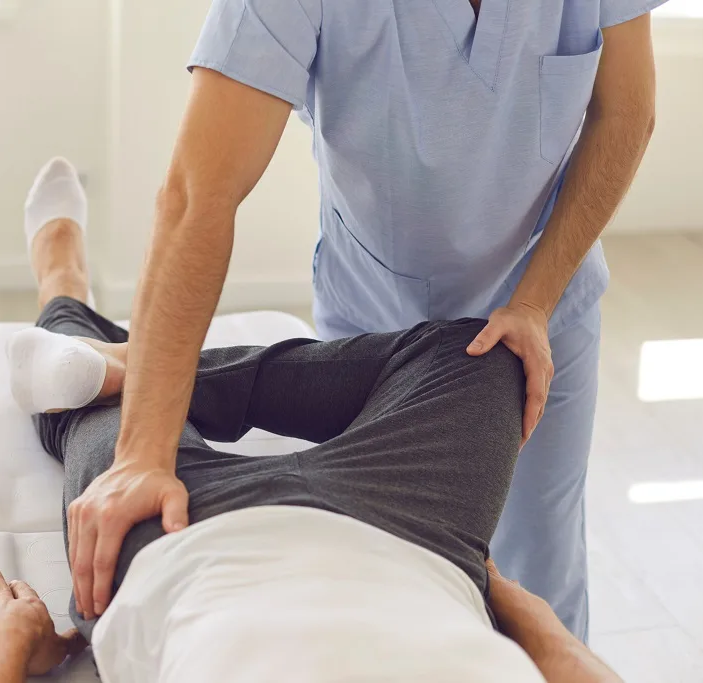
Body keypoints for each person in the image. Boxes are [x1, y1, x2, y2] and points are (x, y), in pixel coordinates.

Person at [67, 0, 664, 641]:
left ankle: (72, 298)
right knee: (380, 564)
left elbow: (626, 113)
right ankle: (66, 281)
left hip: (543, 307)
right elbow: (197, 194)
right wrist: (141, 454)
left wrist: (535, 302)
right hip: (374, 326)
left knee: (543, 571)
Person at [0, 160, 624, 682]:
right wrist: (510, 599)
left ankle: (63, 285)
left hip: (181, 549)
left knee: (86, 403)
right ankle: (131, 362)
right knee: (488, 355)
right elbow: (576, 667)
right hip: (416, 540)